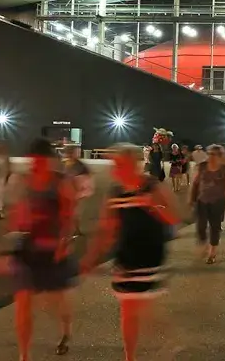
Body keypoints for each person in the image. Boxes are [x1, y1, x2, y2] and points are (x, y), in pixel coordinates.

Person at [82, 144, 181, 361]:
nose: (115, 168)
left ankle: (167, 340)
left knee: (142, 308)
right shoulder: (116, 192)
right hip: (125, 257)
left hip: (149, 257)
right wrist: (91, 257)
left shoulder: (152, 186)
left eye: (119, 164)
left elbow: (175, 218)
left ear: (133, 164)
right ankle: (131, 356)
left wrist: (153, 206)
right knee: (129, 310)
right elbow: (106, 227)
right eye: (114, 164)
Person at [9, 138, 79, 359]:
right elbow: (17, 213)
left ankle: (65, 333)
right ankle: (24, 355)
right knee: (22, 303)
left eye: (40, 160)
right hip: (27, 249)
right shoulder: (25, 180)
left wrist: (63, 244)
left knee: (57, 300)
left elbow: (68, 217)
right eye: (33, 160)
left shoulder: (61, 183)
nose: (35, 164)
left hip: (53, 250)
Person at [189, 144, 225, 263]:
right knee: (201, 226)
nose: (210, 156)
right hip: (202, 200)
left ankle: (212, 253)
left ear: (220, 156)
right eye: (209, 153)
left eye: (213, 154)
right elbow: (195, 183)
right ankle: (204, 244)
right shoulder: (202, 167)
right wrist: (191, 199)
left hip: (218, 202)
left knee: (215, 227)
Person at [64, 146, 95, 238]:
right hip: (71, 192)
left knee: (75, 212)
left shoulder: (79, 165)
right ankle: (74, 230)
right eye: (76, 152)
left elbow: (86, 180)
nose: (77, 154)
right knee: (72, 212)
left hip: (77, 192)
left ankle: (75, 230)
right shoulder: (69, 164)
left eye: (77, 152)